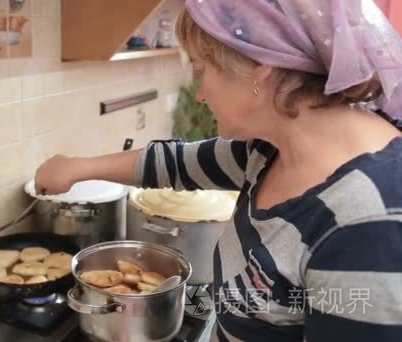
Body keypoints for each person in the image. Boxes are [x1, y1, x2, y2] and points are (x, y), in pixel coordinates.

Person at [34, 0, 402, 340]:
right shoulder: (271, 147)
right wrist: (76, 168)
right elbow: (178, 163)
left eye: (201, 69)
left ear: (260, 68)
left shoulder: (369, 223)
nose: (201, 94)